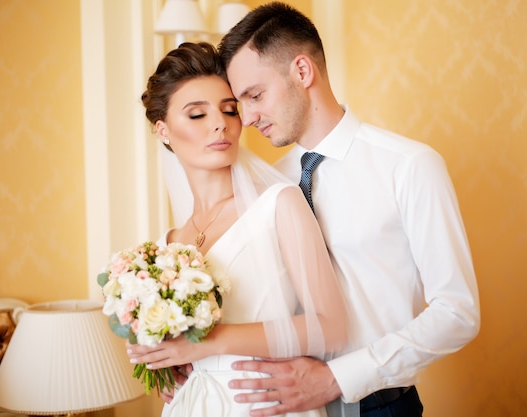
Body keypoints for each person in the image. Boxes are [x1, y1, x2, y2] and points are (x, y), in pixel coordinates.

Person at [217, 2, 481, 417]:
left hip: (379, 406)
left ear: (302, 72)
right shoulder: (266, 187)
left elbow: (458, 312)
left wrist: (338, 378)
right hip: (286, 407)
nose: (247, 118)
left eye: (255, 96)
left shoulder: (409, 166)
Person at [126, 42, 348, 417]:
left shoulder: (279, 205)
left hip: (265, 403)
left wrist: (207, 344)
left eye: (230, 110)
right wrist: (162, 359)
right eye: (197, 115)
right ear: (163, 130)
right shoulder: (166, 246)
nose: (221, 123)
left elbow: (331, 328)